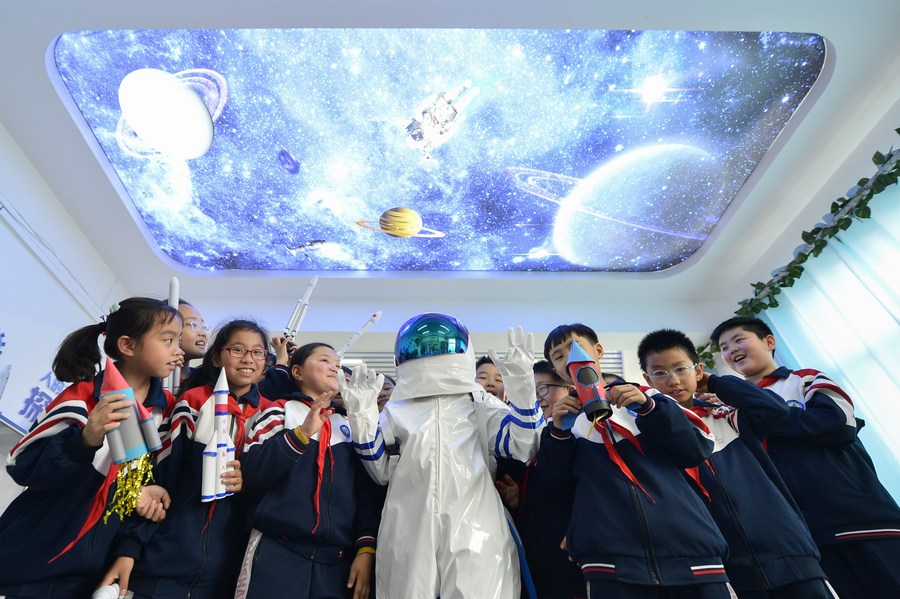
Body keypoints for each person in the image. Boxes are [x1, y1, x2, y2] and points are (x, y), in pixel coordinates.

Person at [344, 314, 544, 598]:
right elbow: (380, 471)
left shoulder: (478, 402)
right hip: (409, 524)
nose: (431, 350)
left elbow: (524, 446)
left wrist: (524, 390)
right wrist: (361, 417)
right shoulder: (397, 410)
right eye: (423, 345)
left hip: (475, 522)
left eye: (439, 344)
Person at [0, 297, 182, 598]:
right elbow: (24, 466)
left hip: (91, 576)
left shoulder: (165, 412)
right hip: (28, 563)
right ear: (127, 345)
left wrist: (143, 502)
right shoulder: (81, 397)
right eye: (168, 340)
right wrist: (85, 440)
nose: (178, 351)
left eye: (178, 340)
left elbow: (147, 485)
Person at [712, 316, 900, 599]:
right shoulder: (730, 409)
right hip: (804, 536)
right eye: (724, 347)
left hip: (860, 518)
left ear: (769, 342)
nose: (731, 350)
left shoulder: (804, 379)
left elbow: (837, 425)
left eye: (739, 339)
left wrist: (767, 416)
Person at [638, 328, 833, 598]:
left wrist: (717, 383)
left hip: (789, 550)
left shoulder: (727, 415)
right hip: (725, 565)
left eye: (681, 368)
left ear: (698, 370)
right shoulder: (653, 434)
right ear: (647, 380)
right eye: (660, 373)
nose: (673, 380)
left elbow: (775, 411)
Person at [541, 323, 731, 598]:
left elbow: (697, 448)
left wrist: (648, 409)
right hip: (609, 562)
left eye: (577, 347)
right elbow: (553, 487)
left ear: (598, 350)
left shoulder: (649, 397)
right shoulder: (559, 421)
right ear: (555, 369)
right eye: (558, 356)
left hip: (692, 550)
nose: (571, 358)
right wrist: (558, 432)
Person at [103, 319, 268, 598]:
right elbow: (160, 478)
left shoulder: (270, 415)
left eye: (257, 352)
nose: (248, 359)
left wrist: (247, 481)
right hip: (164, 563)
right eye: (237, 350)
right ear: (216, 357)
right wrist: (129, 548)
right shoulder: (193, 402)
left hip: (225, 573)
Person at [237, 342, 380, 599]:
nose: (334, 368)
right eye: (325, 360)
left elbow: (363, 493)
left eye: (337, 364)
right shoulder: (278, 411)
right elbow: (253, 475)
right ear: (297, 372)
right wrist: (301, 434)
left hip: (336, 561)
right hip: (277, 550)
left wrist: (365, 548)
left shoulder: (348, 424)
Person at [507, 360, 585, 599]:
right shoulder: (517, 442)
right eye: (527, 391)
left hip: (572, 560)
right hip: (534, 562)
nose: (535, 398)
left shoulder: (585, 433)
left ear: (569, 389)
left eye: (542, 389)